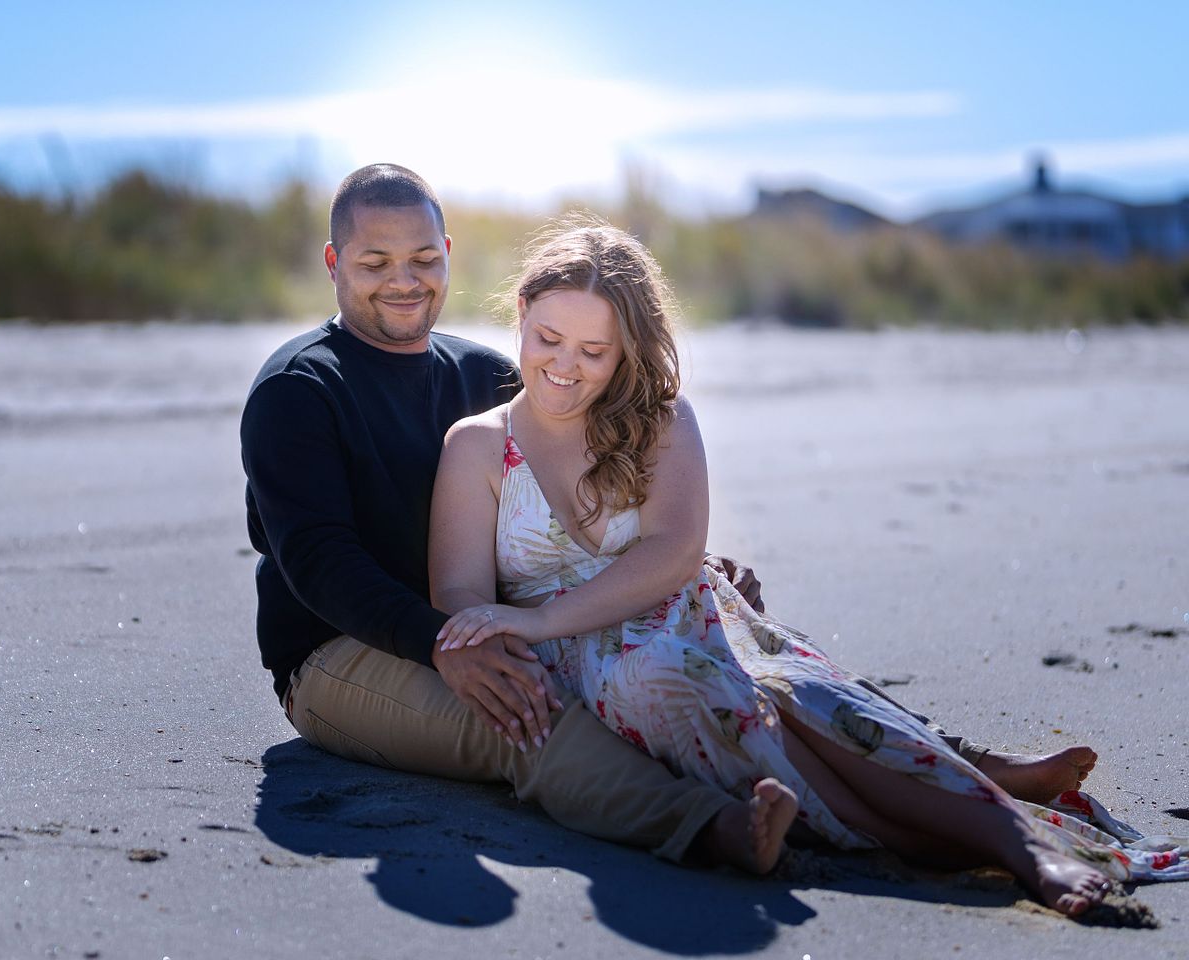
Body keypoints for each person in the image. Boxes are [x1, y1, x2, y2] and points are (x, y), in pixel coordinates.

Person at [241, 162, 1099, 877]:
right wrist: (442, 639)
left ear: (447, 255)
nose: (403, 279)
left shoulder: (487, 370)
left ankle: (970, 768)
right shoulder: (300, 390)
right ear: (333, 261)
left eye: (422, 256)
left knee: (756, 650)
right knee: (522, 718)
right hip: (341, 653)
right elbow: (319, 564)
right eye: (375, 261)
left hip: (475, 622)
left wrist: (686, 563)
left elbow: (577, 484)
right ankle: (710, 827)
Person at [427, 216, 1187, 915]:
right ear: (520, 311)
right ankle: (955, 837)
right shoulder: (478, 445)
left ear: (627, 350)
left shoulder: (660, 418)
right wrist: (511, 633)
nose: (564, 367)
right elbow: (457, 591)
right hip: (587, 664)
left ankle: (1013, 840)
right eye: (548, 338)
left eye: (594, 352)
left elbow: (673, 553)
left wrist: (538, 615)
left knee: (805, 702)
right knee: (672, 684)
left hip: (691, 614)